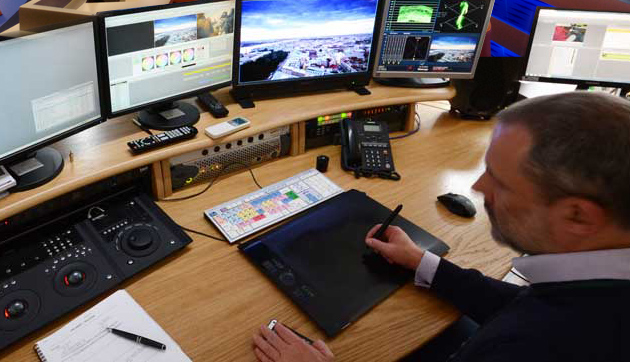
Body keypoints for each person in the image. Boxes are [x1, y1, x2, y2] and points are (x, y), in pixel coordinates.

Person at [253, 91, 630, 361]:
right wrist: (422, 262)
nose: (478, 187)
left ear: (578, 216)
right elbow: (522, 303)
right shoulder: (594, 288)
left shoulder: (545, 343)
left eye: (499, 180)